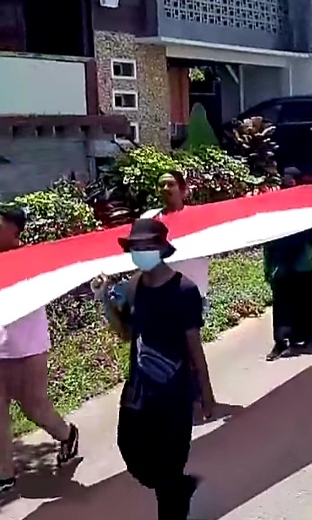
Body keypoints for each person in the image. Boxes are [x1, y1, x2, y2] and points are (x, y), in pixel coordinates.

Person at [96, 218, 214, 520]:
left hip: (173, 395)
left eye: (146, 247)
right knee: (131, 451)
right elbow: (125, 333)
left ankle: (174, 495)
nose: (140, 252)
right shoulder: (132, 287)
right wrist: (104, 302)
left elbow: (194, 346)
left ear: (161, 249)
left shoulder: (184, 290)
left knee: (168, 468)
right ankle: (178, 487)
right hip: (137, 391)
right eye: (135, 248)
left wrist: (206, 394)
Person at [0, 207, 79, 495]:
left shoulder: (31, 258)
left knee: (34, 406)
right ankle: (4, 474)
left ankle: (66, 434)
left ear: (15, 232)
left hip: (28, 345)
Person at [263, 168, 312, 361]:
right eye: (285, 179)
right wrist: (268, 267)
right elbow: (269, 239)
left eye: (291, 179)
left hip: (302, 264)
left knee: (308, 302)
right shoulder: (275, 206)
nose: (288, 183)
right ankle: (280, 342)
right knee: (281, 306)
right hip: (281, 264)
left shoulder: (306, 204)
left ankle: (310, 336)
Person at [141, 171, 210, 306]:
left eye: (171, 184)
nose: (165, 188)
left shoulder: (200, 216)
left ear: (183, 189)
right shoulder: (148, 219)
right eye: (162, 185)